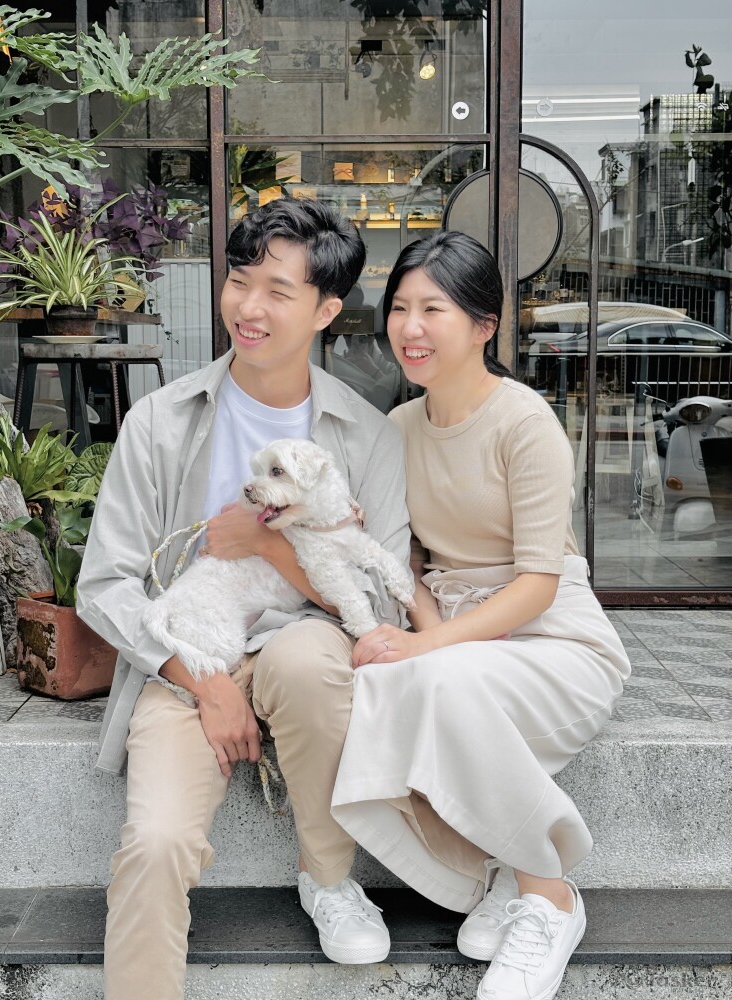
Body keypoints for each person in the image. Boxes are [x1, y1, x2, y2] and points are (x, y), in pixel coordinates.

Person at [76, 199, 411, 1000]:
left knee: (306, 660)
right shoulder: (160, 421)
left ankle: (327, 876)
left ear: (326, 310)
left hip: (308, 648)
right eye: (239, 280)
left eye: (278, 291)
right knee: (156, 843)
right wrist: (204, 681)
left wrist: (266, 544)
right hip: (186, 655)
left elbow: (384, 608)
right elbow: (106, 583)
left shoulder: (367, 437)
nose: (248, 307)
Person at [331, 231, 631, 1000]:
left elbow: (537, 586)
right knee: (384, 684)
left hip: (555, 640)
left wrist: (429, 644)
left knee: (436, 679)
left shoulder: (524, 422)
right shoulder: (399, 428)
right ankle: (496, 863)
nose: (410, 327)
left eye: (433, 309)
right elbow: (407, 564)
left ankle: (548, 895)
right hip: (460, 633)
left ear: (484, 325)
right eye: (399, 307)